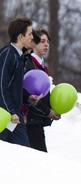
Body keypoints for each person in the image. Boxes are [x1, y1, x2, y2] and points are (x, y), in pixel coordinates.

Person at [23, 28, 60, 152]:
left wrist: (53, 110)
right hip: (29, 121)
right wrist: (47, 111)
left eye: (48, 42)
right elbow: (28, 96)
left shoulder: (43, 67)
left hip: (38, 120)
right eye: (42, 41)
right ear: (33, 43)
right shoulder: (28, 65)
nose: (46, 45)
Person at [0, 17, 34, 147]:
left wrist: (27, 98)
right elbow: (2, 86)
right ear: (21, 36)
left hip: (14, 115)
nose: (32, 37)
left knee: (23, 152)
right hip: (5, 114)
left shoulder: (20, 56)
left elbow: (14, 86)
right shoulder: (8, 55)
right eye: (30, 34)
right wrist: (11, 112)